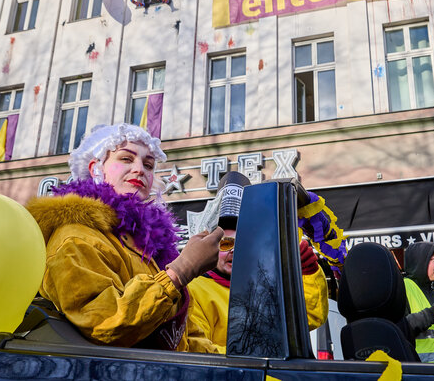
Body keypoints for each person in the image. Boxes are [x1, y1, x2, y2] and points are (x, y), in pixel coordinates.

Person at [26, 124, 221, 352]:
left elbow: (186, 339)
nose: (140, 169)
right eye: (127, 159)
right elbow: (104, 322)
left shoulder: (146, 245)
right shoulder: (75, 236)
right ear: (95, 169)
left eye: (148, 165)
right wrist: (179, 272)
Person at [187, 175, 334, 353]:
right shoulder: (194, 289)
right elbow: (198, 350)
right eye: (226, 243)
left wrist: (307, 270)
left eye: (242, 243)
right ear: (211, 247)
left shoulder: (265, 283)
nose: (234, 250)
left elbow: (310, 318)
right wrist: (255, 356)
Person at [402, 242, 434, 362]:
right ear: (419, 262)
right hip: (419, 369)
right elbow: (400, 328)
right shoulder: (404, 287)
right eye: (433, 259)